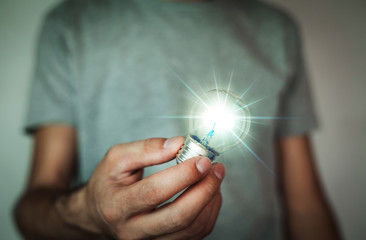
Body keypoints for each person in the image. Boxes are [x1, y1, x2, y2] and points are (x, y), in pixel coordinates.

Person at [14, 0, 341, 239]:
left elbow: (304, 202)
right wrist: (88, 212)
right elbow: (33, 212)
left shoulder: (277, 30)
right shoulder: (71, 23)